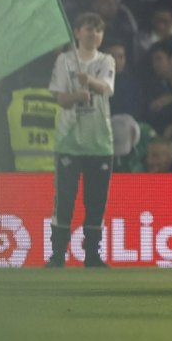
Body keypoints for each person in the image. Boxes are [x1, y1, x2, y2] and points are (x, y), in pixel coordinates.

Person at [47, 13, 116, 267]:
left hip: (99, 142)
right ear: (76, 32)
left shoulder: (107, 60)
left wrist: (90, 82)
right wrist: (77, 95)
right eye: (89, 29)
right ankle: (57, 255)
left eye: (99, 30)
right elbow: (60, 99)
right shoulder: (64, 60)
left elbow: (107, 88)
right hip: (70, 141)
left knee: (96, 200)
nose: (94, 35)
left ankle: (93, 255)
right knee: (64, 198)